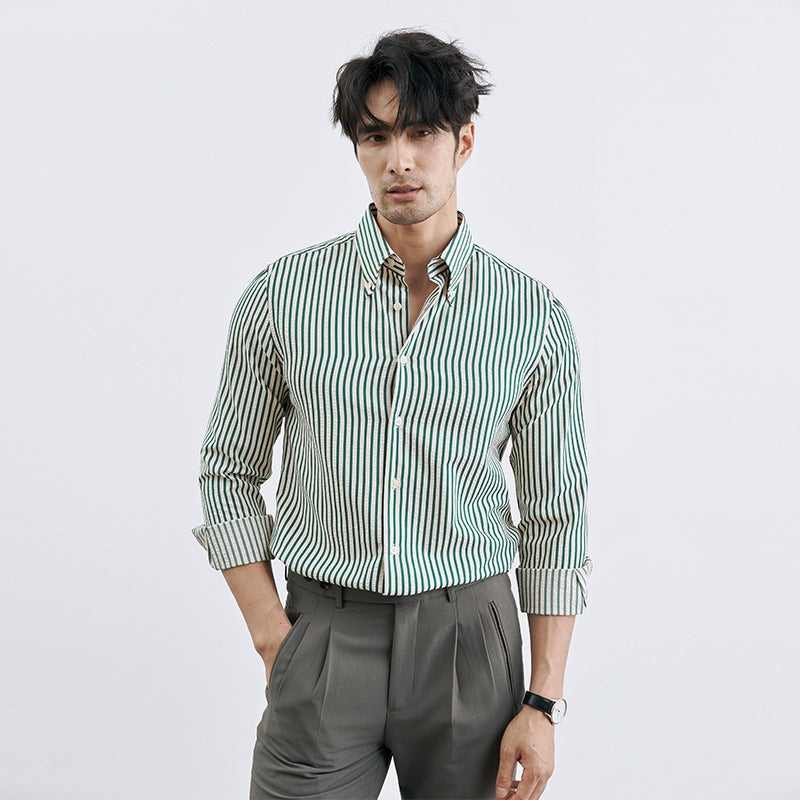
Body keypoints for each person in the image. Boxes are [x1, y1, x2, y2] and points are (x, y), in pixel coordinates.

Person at [191, 28, 593, 800]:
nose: (399, 160)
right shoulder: (283, 296)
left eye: (421, 133)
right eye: (376, 137)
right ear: (357, 149)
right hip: (324, 632)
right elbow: (228, 470)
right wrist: (274, 637)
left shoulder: (531, 316)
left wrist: (542, 702)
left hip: (470, 643)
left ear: (463, 142)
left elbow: (556, 517)